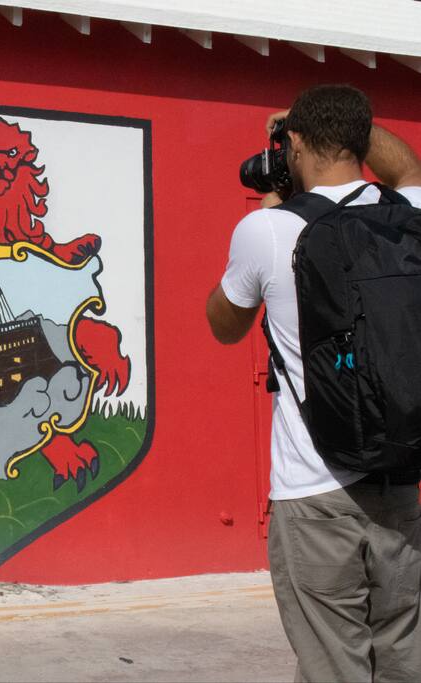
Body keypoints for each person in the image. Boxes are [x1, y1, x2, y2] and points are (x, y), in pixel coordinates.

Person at [206, 84, 421, 683]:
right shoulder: (408, 215)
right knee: (402, 660)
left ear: (294, 143)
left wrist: (269, 206)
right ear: (359, 140)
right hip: (399, 482)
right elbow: (407, 166)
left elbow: (224, 325)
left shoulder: (268, 230)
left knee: (332, 665)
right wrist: (339, 125)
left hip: (313, 492)